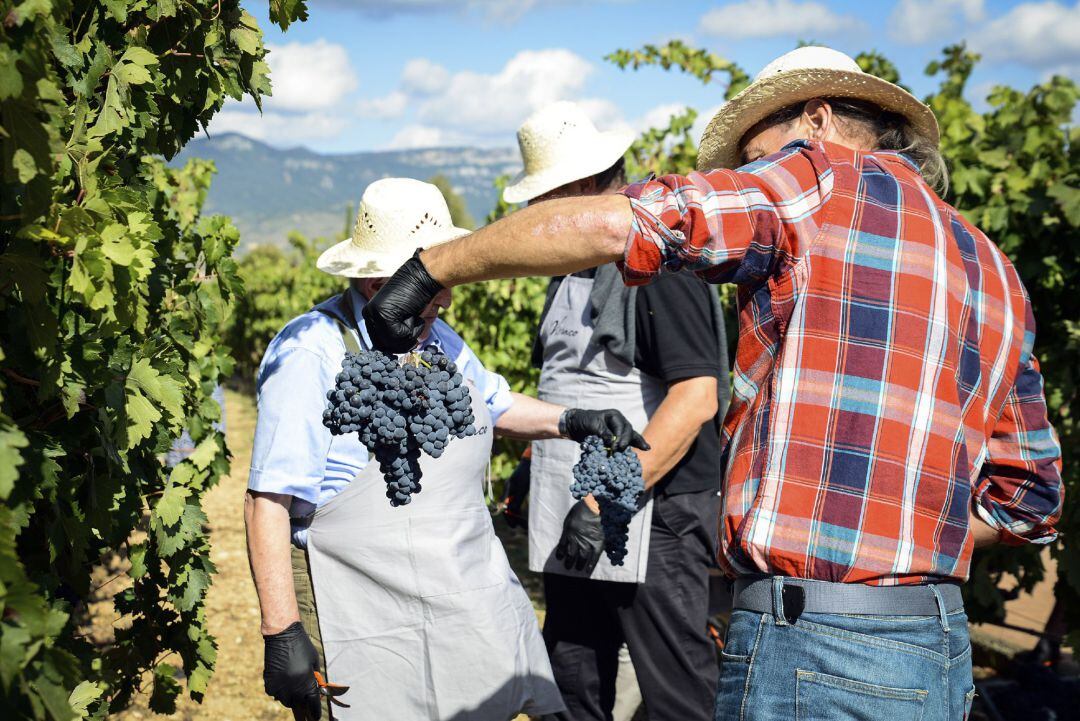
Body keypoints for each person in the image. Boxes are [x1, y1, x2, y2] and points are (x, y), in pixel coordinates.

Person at [360, 47, 1065, 721]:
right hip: (936, 648)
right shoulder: (992, 267)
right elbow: (1029, 500)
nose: (755, 176)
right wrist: (901, 534)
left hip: (812, 640)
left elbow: (629, 223)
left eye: (757, 157)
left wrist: (430, 268)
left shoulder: (813, 180)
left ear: (817, 121)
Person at [244, 178, 647, 721]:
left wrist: (573, 421)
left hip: (450, 588)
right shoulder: (312, 351)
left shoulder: (434, 336)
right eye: (427, 279)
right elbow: (267, 499)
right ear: (374, 280)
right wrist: (281, 630)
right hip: (356, 602)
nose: (446, 295)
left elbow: (492, 403)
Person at [498, 101, 730, 721]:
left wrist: (608, 499)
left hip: (650, 512)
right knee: (572, 678)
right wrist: (534, 464)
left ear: (575, 191)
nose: (529, 218)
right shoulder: (573, 270)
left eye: (539, 201)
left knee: (676, 693)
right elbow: (574, 384)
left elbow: (694, 398)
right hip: (576, 507)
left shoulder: (656, 270)